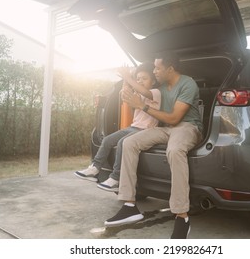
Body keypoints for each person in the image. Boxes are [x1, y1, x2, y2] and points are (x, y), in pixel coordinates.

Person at [104, 51, 203, 239]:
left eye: (158, 67)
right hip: (166, 128)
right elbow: (143, 92)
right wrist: (126, 78)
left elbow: (175, 117)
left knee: (174, 150)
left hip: (187, 127)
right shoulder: (162, 87)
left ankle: (182, 216)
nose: (154, 71)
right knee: (129, 142)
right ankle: (129, 205)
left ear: (170, 69)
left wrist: (142, 106)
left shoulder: (187, 84)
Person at [74, 63, 161, 192]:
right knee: (107, 140)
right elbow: (123, 95)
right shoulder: (139, 93)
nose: (140, 81)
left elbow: (144, 92)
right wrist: (126, 79)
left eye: (144, 78)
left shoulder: (155, 92)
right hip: (134, 127)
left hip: (146, 131)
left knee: (122, 143)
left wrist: (129, 77)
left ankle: (116, 178)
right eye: (138, 79)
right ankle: (95, 169)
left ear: (153, 81)